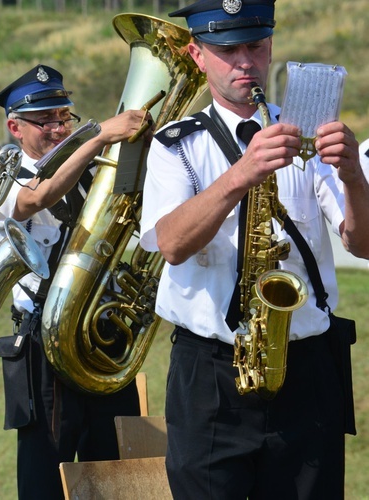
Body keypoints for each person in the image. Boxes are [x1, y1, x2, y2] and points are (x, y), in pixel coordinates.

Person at [139, 0, 369, 498]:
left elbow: (363, 244)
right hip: (211, 375)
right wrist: (243, 172)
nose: (245, 61)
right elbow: (172, 245)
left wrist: (353, 177)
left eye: (256, 46)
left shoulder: (307, 132)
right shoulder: (174, 143)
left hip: (306, 366)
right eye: (227, 49)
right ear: (198, 56)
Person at [0, 64, 149, 499]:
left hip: (102, 333)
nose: (59, 129)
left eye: (65, 117)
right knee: (46, 479)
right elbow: (38, 197)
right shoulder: (3, 177)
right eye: (46, 121)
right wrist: (97, 136)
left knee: (119, 475)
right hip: (46, 341)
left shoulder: (93, 167)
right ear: (15, 128)